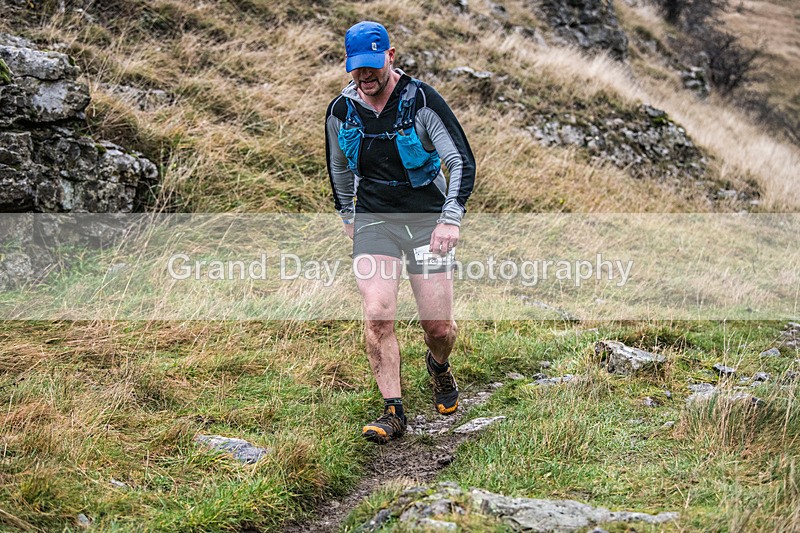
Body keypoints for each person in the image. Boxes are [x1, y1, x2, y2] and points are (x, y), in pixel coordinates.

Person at [325, 21, 476, 444]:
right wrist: (347, 214)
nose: (366, 76)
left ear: (391, 57)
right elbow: (337, 165)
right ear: (348, 65)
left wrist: (451, 218)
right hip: (375, 221)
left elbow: (460, 161)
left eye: (373, 65)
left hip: (428, 220)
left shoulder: (421, 101)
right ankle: (393, 412)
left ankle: (439, 366)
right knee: (377, 312)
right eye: (358, 68)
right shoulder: (341, 111)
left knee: (439, 328)